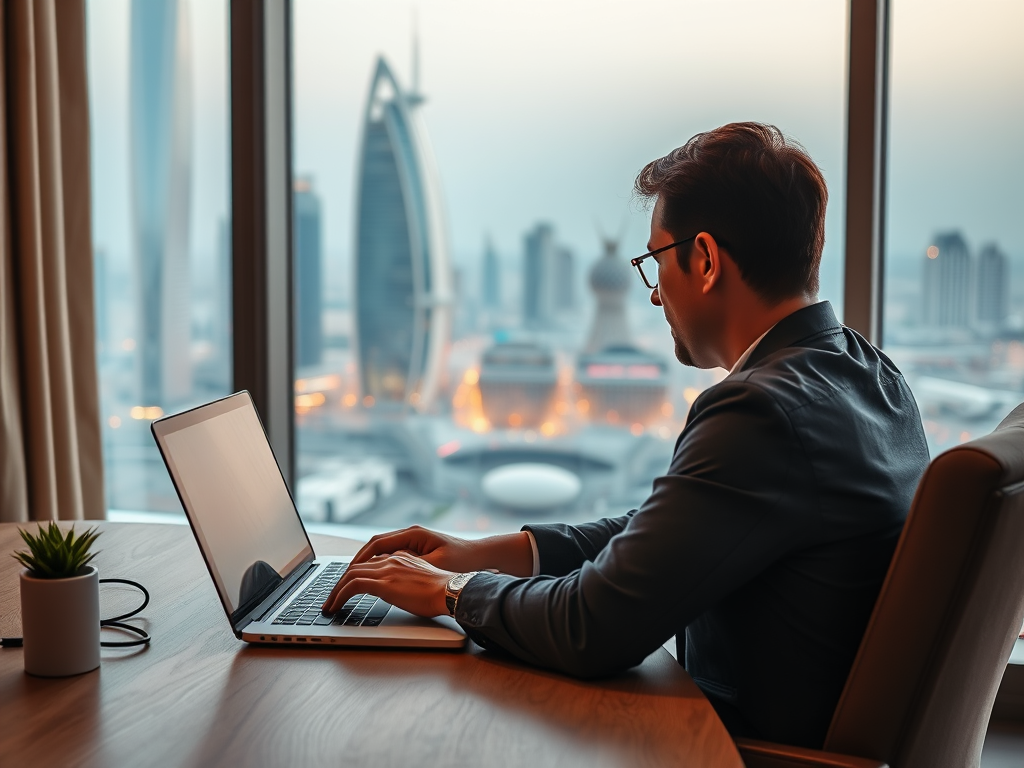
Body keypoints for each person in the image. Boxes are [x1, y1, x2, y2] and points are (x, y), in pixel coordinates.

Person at [321, 122, 930, 748]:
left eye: (656, 260)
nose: (655, 292)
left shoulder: (762, 412)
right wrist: (488, 552)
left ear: (706, 261)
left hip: (738, 752)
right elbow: (675, 530)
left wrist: (453, 592)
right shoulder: (866, 373)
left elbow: (593, 628)